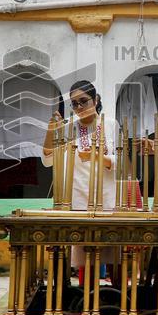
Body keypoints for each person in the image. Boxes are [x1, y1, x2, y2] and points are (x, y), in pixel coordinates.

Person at [42, 80, 118, 270]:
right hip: (78, 199)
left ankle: (114, 298)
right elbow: (48, 160)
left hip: (107, 198)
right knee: (85, 260)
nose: (79, 107)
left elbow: (124, 163)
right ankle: (85, 297)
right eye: (74, 103)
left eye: (83, 101)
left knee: (114, 258)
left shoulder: (110, 124)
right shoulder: (68, 127)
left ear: (96, 100)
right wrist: (51, 132)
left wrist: (99, 157)